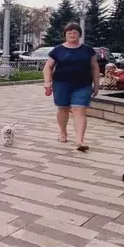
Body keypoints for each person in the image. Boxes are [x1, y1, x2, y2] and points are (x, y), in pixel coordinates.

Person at [43, 23, 100, 152]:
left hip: (83, 84)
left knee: (79, 110)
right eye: (69, 33)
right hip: (61, 84)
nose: (72, 35)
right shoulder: (58, 50)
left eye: (74, 32)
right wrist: (47, 82)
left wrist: (97, 85)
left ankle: (80, 140)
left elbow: (95, 68)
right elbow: (48, 66)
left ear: (79, 34)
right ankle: (63, 132)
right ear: (65, 35)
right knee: (63, 108)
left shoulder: (87, 50)